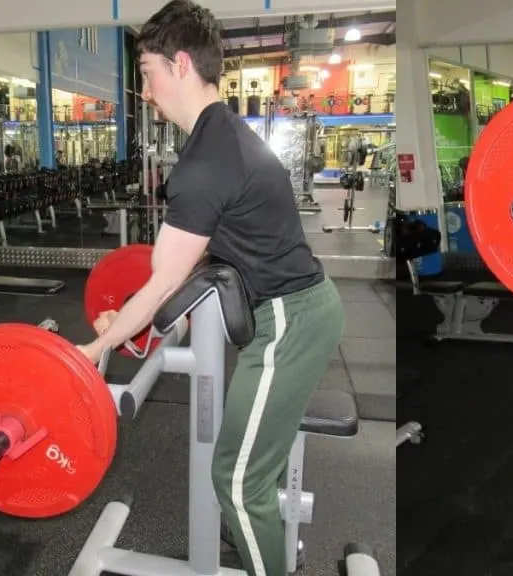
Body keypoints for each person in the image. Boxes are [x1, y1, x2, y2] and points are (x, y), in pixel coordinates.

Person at [74, 1, 346, 575]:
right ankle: (258, 528)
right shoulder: (219, 135)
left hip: (289, 323)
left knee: (237, 480)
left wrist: (97, 348)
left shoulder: (203, 163)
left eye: (145, 74)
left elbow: (163, 282)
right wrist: (129, 320)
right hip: (291, 311)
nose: (143, 92)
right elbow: (182, 269)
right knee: (248, 473)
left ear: (178, 65)